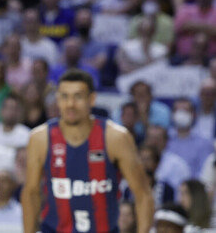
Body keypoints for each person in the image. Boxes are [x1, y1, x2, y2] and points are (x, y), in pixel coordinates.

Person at [22, 69, 153, 233]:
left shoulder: (115, 138)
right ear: (57, 100)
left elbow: (143, 194)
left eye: (78, 96)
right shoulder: (40, 138)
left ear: (92, 99)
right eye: (64, 96)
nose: (70, 104)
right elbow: (31, 193)